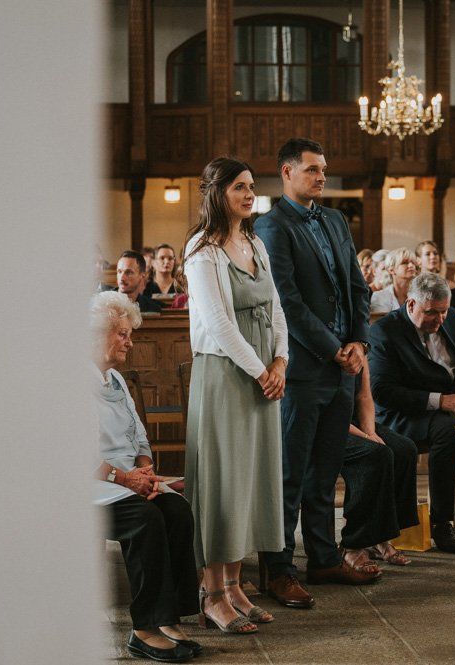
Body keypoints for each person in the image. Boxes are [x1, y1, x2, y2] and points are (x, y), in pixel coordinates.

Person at [255, 137, 377, 610]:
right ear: (287, 173)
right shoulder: (272, 226)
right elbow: (287, 300)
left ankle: (323, 557)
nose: (321, 177)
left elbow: (357, 287)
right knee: (290, 472)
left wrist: (359, 343)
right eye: (312, 170)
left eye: (323, 169)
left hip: (343, 367)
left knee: (325, 472)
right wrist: (333, 350)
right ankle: (278, 568)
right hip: (304, 369)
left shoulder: (334, 220)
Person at [183, 157, 289, 634]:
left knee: (252, 479)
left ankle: (236, 583)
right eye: (240, 188)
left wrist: (282, 361)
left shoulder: (255, 242)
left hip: (264, 374)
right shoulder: (202, 250)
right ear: (217, 192)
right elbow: (220, 324)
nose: (250, 195)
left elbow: (276, 307)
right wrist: (260, 370)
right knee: (224, 481)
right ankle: (212, 593)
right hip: (227, 377)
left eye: (252, 187)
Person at [92, 291, 202, 663]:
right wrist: (126, 480)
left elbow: (139, 434)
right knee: (146, 519)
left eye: (129, 333)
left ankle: (168, 616)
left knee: (177, 509)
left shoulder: (117, 381)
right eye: (121, 333)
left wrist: (145, 471)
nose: (130, 341)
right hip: (97, 486)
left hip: (129, 479)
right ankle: (143, 629)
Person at [368, 272, 455, 554]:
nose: (440, 320)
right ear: (411, 305)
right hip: (405, 414)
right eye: (432, 313)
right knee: (450, 431)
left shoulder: (451, 318)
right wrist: (439, 400)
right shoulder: (384, 331)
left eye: (443, 312)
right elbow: (382, 391)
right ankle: (442, 524)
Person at [339, 354, 418, 574]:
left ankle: (380, 536)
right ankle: (353, 544)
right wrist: (367, 439)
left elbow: (364, 396)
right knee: (375, 454)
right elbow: (330, 412)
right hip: (327, 422)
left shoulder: (357, 348)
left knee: (404, 450)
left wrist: (370, 432)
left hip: (356, 420)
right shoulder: (325, 348)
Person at [370, 247, 419, 313]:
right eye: (404, 263)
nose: (411, 265)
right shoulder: (380, 297)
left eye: (413, 262)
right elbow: (382, 322)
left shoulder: (420, 295)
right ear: (391, 270)